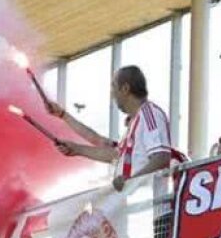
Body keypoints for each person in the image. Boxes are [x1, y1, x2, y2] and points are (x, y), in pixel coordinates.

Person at [47, 65, 178, 192]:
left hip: (149, 204)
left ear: (125, 88)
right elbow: (103, 145)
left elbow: (162, 157)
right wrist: (63, 116)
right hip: (137, 205)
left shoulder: (150, 114)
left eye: (114, 86)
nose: (112, 94)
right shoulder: (134, 123)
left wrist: (130, 181)